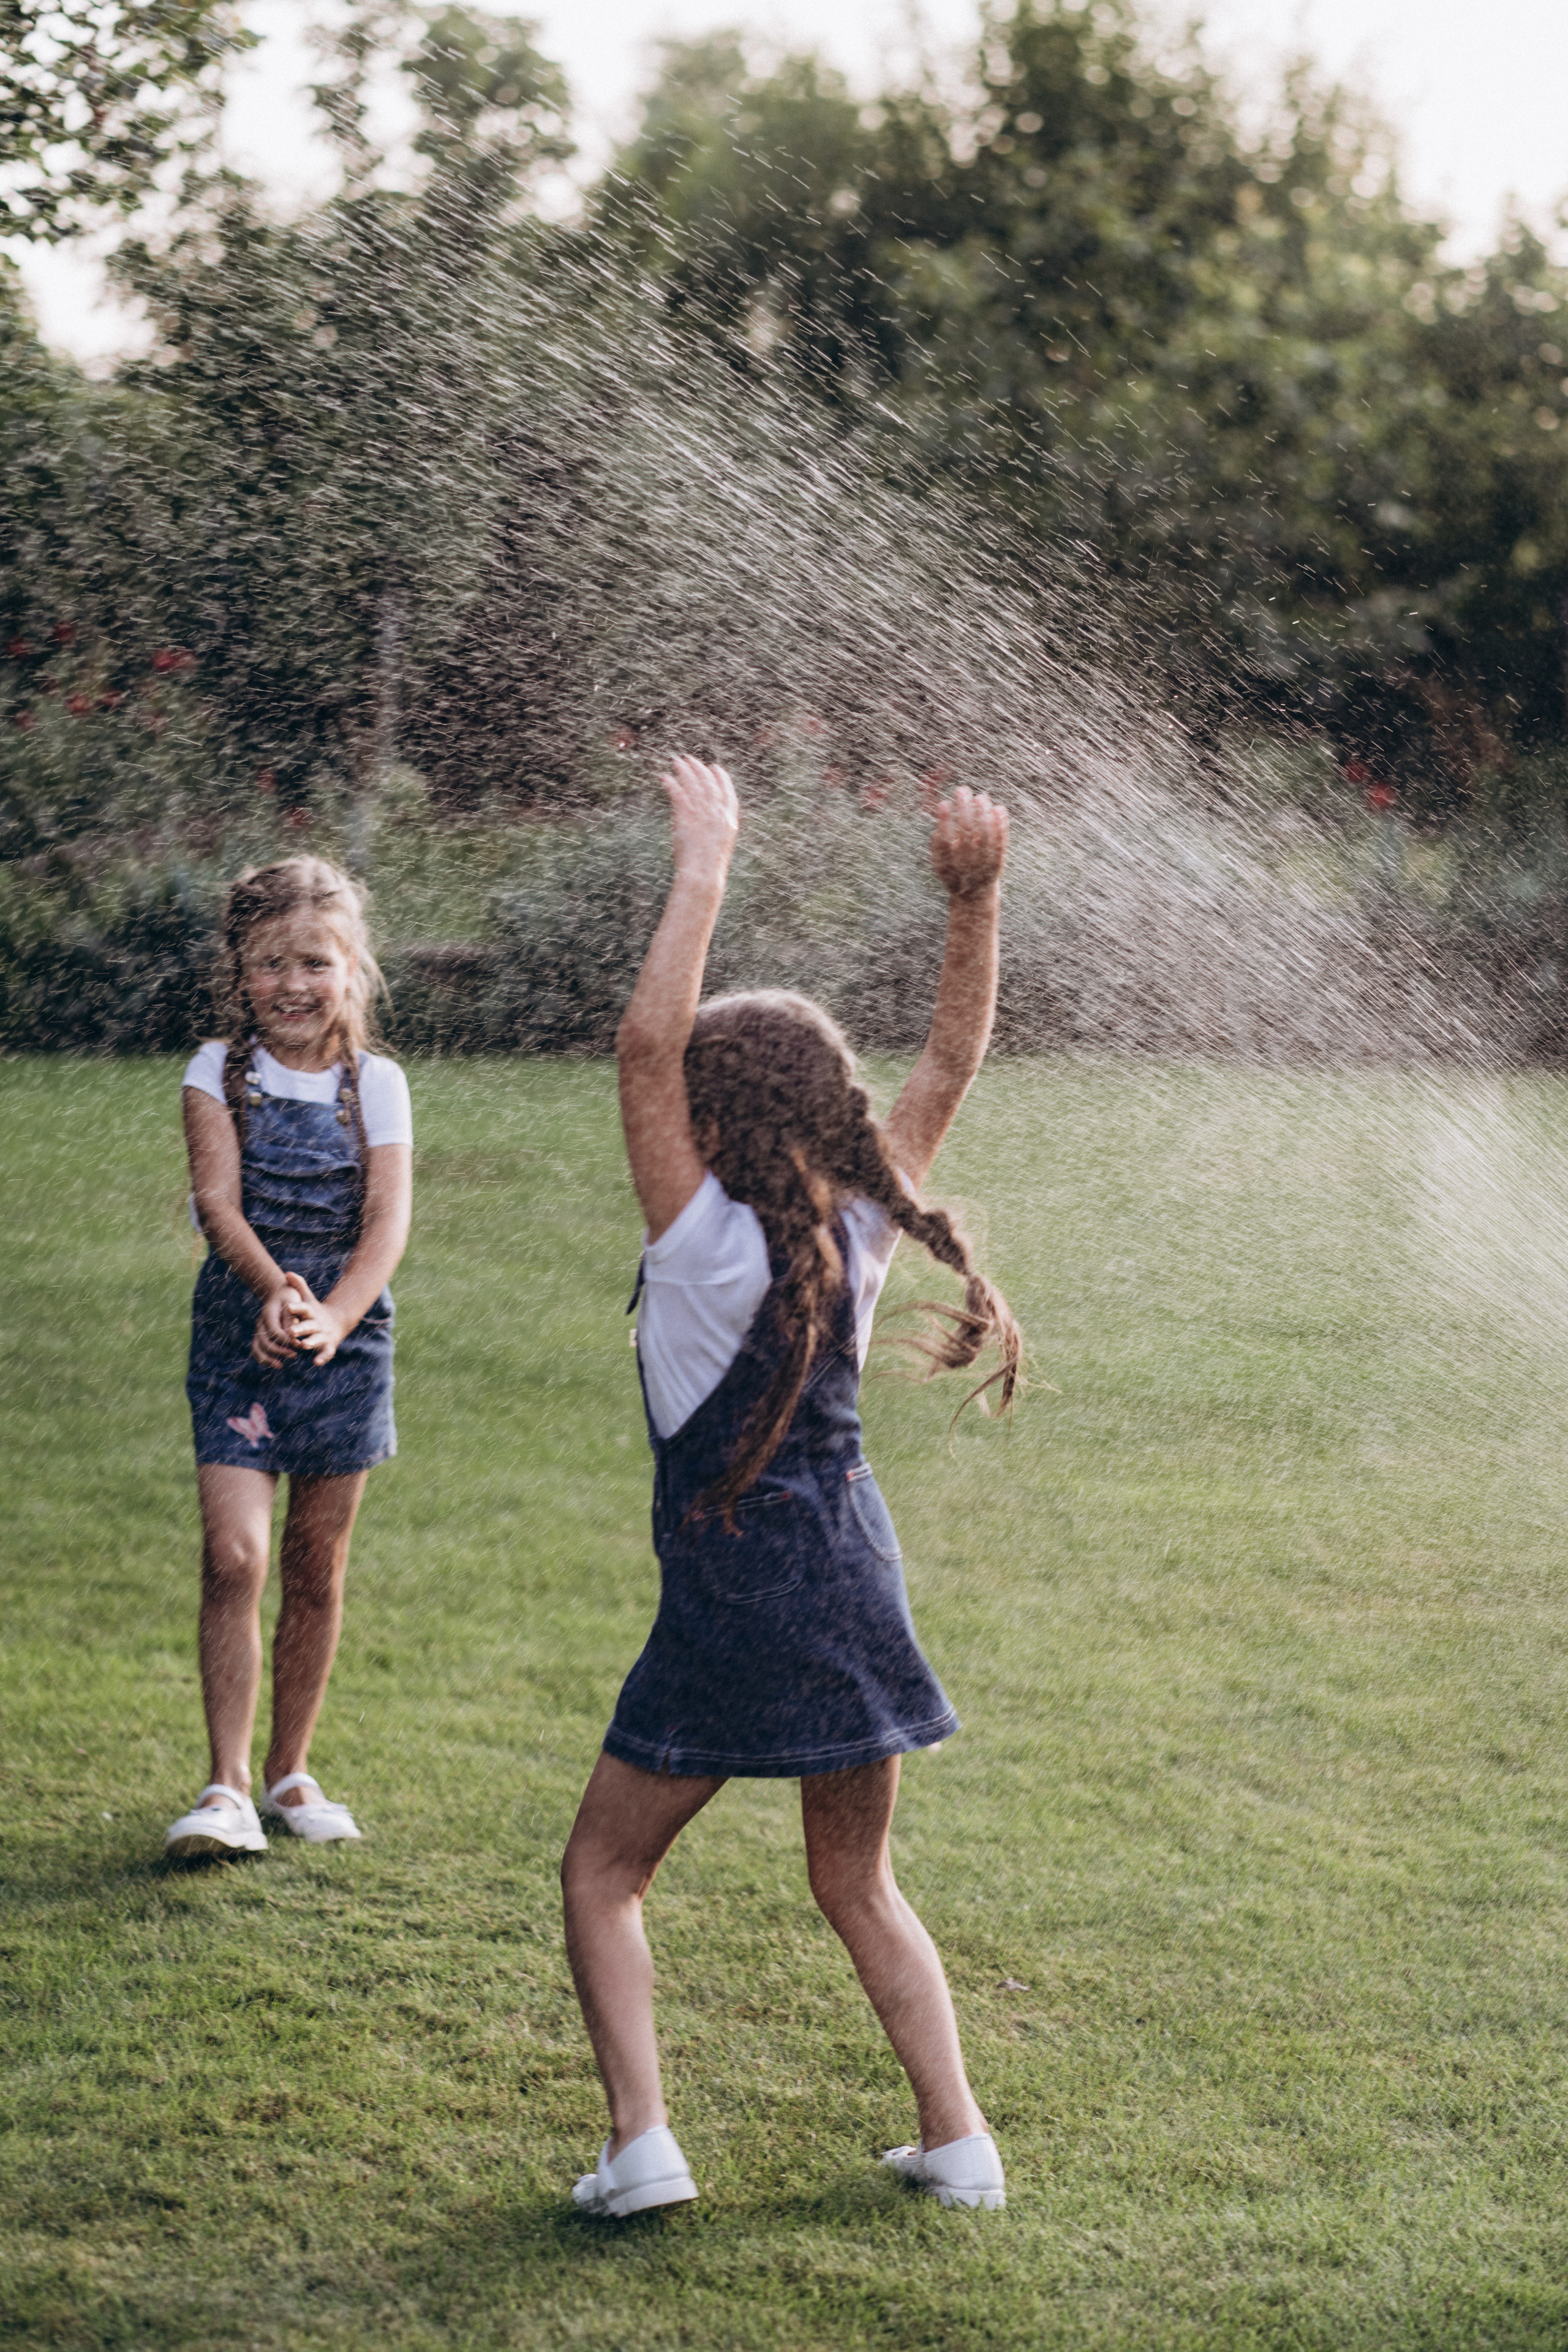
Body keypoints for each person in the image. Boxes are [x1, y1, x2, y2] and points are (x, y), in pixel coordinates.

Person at [561, 758, 1022, 2218]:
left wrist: (703, 864)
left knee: (602, 1874)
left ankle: (642, 2149)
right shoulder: (865, 1226)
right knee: (856, 1883)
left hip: (728, 1601)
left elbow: (641, 1051)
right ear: (832, 1113)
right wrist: (974, 902)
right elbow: (946, 1066)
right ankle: (958, 2143)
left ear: (701, 1115)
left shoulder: (694, 1241)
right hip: (850, 1580)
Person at [164, 856, 412, 1860]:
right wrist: (276, 1296)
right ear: (241, 971)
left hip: (345, 1344)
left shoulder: (377, 1085)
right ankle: (223, 1788)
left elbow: (388, 1226)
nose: (295, 985)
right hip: (240, 1333)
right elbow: (219, 1204)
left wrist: (334, 1317)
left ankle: (288, 1773)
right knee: (237, 1557)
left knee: (315, 1563)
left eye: (316, 961)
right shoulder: (215, 1072)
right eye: (273, 964)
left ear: (352, 969)